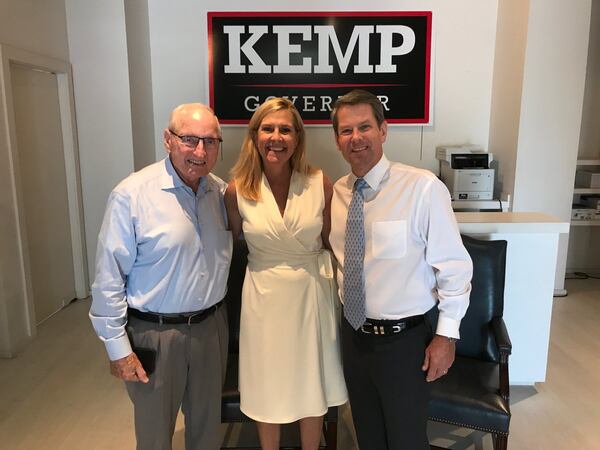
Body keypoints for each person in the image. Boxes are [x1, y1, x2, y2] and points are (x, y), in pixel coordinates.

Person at [328, 90, 473, 450]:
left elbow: (454, 269)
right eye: (346, 131)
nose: (356, 138)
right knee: (368, 435)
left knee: (407, 439)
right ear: (337, 140)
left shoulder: (422, 189)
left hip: (404, 343)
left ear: (383, 130)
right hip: (354, 337)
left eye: (365, 127)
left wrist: (446, 336)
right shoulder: (338, 192)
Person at [89, 103, 232, 450]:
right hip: (154, 334)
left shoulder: (221, 193)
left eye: (210, 142)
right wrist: (117, 350)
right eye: (189, 140)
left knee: (207, 432)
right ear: (168, 140)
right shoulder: (132, 195)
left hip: (211, 330)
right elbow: (109, 279)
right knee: (154, 438)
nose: (200, 151)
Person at [224, 97, 348, 450]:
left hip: (311, 292)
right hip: (263, 297)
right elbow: (228, 247)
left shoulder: (319, 182)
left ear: (297, 138)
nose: (276, 137)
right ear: (254, 135)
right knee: (267, 382)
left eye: (285, 129)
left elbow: (331, 244)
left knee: (311, 379)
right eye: (268, 128)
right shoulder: (236, 191)